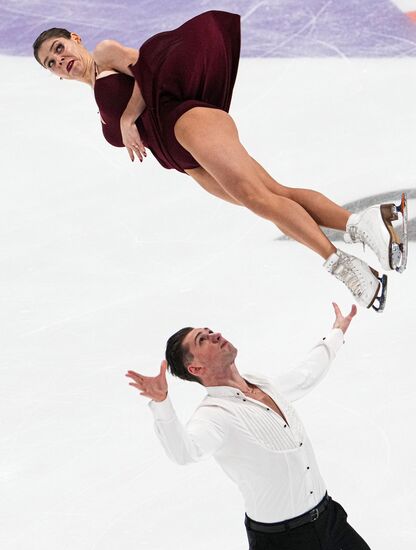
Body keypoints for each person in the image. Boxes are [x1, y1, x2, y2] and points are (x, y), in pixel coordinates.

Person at [32, 11, 407, 311]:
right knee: (273, 196)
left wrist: (128, 118)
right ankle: (366, 225)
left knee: (261, 198)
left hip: (187, 122)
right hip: (185, 160)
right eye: (51, 62)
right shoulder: (96, 97)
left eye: (59, 48)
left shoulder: (104, 53)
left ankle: (348, 268)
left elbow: (148, 71)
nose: (60, 60)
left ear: (75, 40)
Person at [126, 302, 371, 549]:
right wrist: (162, 403)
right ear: (196, 368)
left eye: (210, 331)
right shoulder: (215, 414)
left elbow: (304, 376)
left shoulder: (259, 383)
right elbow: (185, 452)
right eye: (203, 340)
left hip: (330, 521)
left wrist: (337, 332)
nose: (215, 335)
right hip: (283, 541)